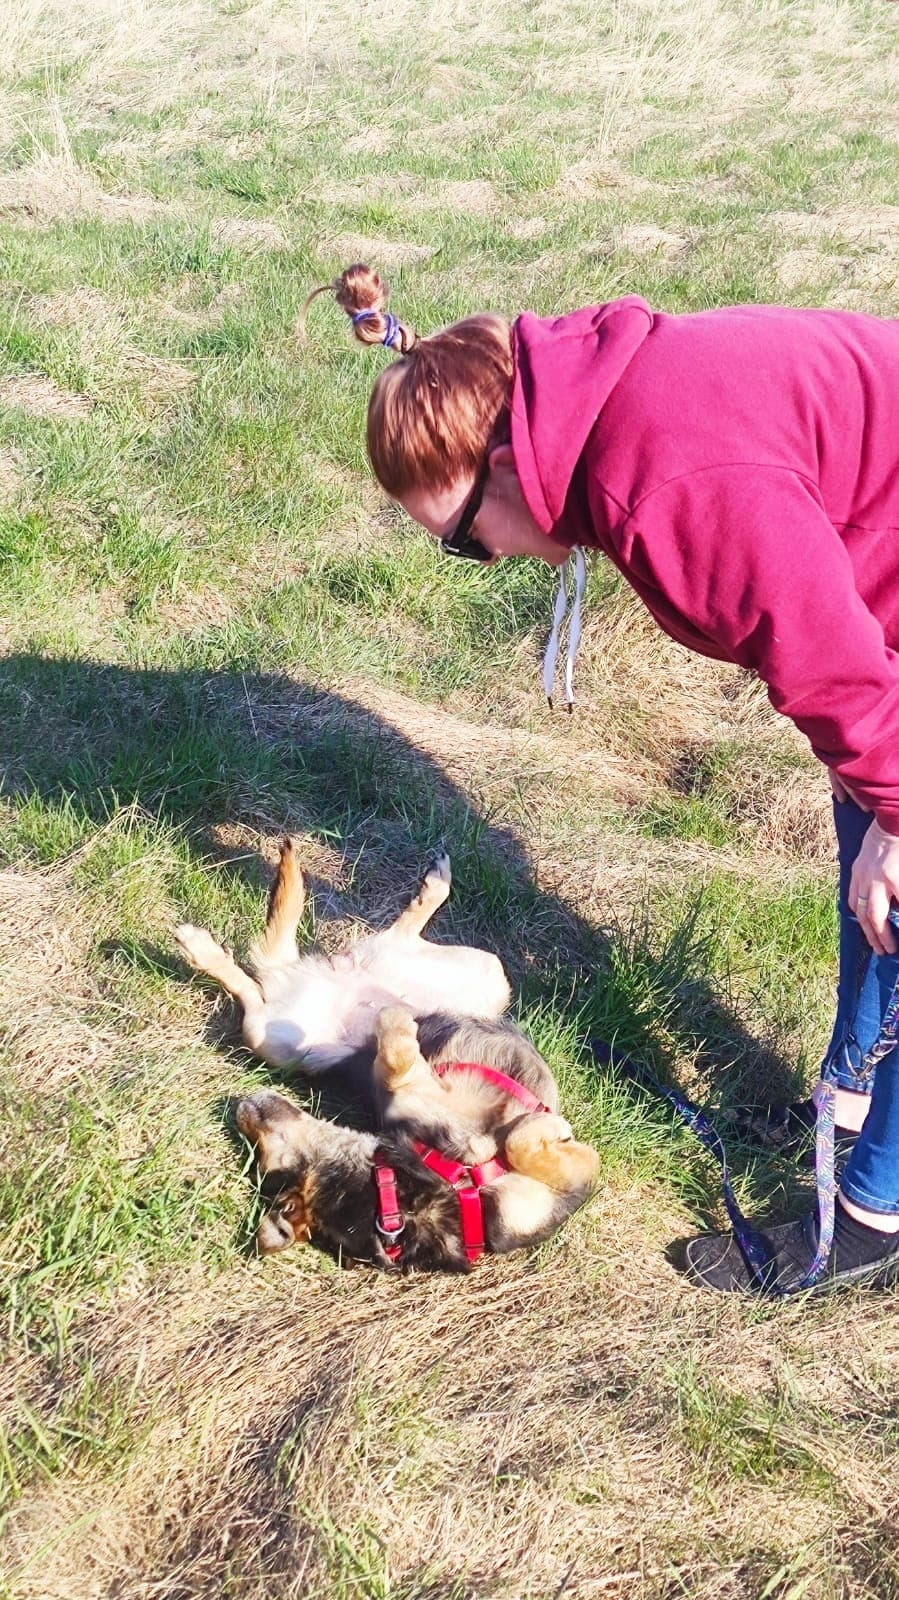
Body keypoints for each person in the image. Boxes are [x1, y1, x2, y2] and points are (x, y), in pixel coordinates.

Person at [303, 262, 899, 1296]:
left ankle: (871, 1217)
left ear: (501, 465)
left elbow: (827, 663)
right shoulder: (590, 406)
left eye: (463, 544)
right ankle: (847, 1102)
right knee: (873, 825)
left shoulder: (668, 483)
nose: (490, 559)